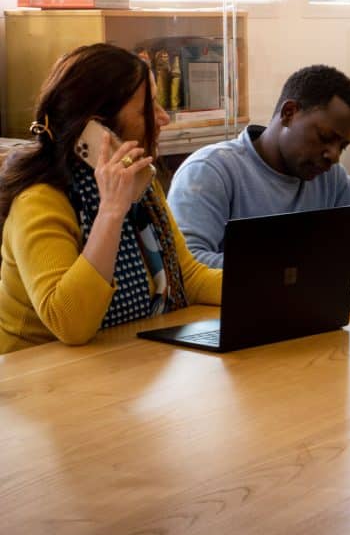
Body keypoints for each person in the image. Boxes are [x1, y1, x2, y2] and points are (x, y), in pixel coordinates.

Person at [0, 44, 222, 354]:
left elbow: (188, 277)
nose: (162, 118)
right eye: (149, 108)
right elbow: (70, 322)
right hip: (38, 376)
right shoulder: (38, 200)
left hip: (116, 359)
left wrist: (259, 286)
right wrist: (111, 213)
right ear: (97, 129)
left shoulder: (140, 183)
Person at [168, 65, 350, 280]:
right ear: (289, 113)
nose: (334, 155)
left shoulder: (329, 176)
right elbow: (187, 265)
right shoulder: (210, 171)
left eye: (342, 146)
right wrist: (302, 263)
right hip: (221, 319)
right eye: (325, 138)